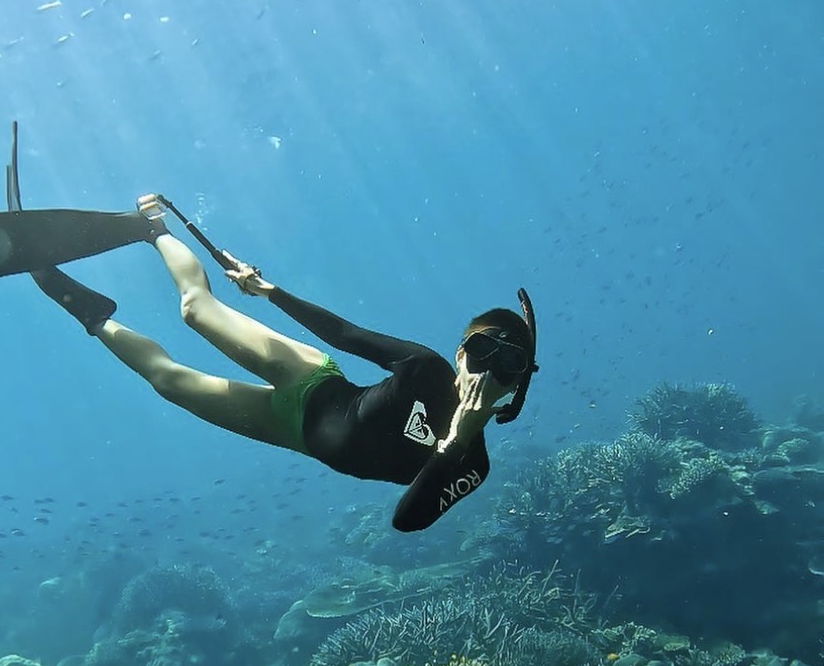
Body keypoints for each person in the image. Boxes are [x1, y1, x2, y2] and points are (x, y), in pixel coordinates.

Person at [30, 197, 537, 533]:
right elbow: (344, 334)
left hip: (290, 432)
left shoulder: (473, 465)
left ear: (517, 383)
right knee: (196, 311)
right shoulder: (425, 367)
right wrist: (269, 291)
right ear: (460, 352)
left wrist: (456, 440)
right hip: (311, 378)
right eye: (480, 351)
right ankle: (153, 230)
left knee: (169, 382)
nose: (487, 371)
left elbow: (407, 520)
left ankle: (92, 315)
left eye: (509, 364)